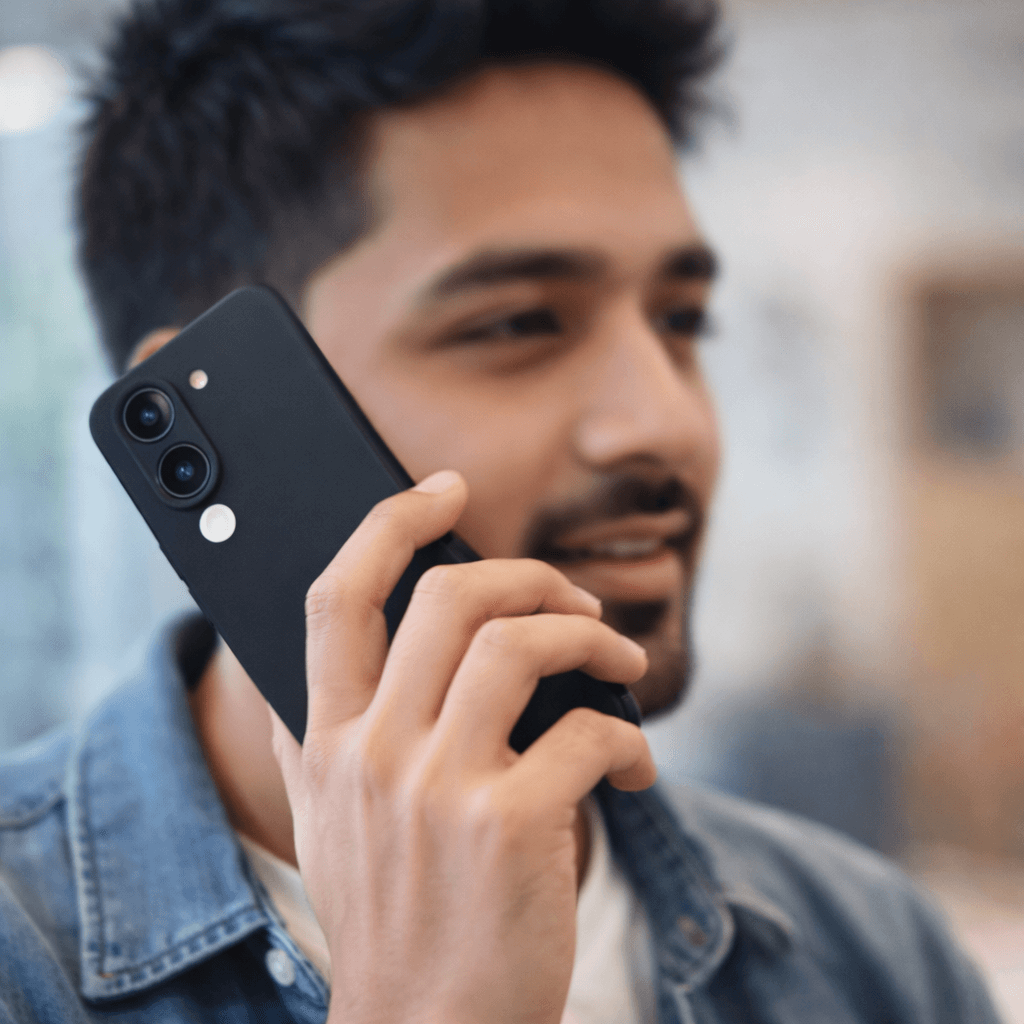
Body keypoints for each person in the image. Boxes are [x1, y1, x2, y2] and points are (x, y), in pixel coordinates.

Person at [0, 0, 1002, 1021]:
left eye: (680, 318)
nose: (668, 420)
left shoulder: (877, 952)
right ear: (222, 422)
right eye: (519, 322)